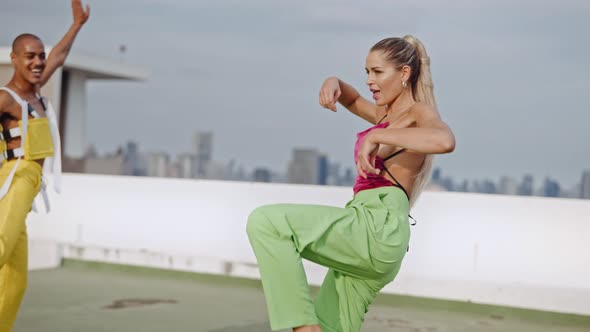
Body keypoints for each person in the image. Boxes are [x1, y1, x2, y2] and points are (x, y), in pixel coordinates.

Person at [246, 35, 455, 332]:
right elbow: (353, 100)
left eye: (378, 72)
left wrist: (378, 136)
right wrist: (335, 82)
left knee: (267, 223)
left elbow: (444, 140)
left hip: (378, 227)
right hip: (368, 229)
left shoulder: (417, 113)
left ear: (404, 73)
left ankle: (303, 328)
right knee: (333, 326)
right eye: (367, 72)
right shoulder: (386, 114)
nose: (370, 80)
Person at [0, 1, 89, 330]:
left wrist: (77, 24)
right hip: (16, 177)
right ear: (14, 59)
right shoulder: (6, 98)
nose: (38, 62)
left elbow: (59, 57)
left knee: (15, 279)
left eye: (40, 55)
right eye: (30, 56)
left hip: (31, 185)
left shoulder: (35, 92)